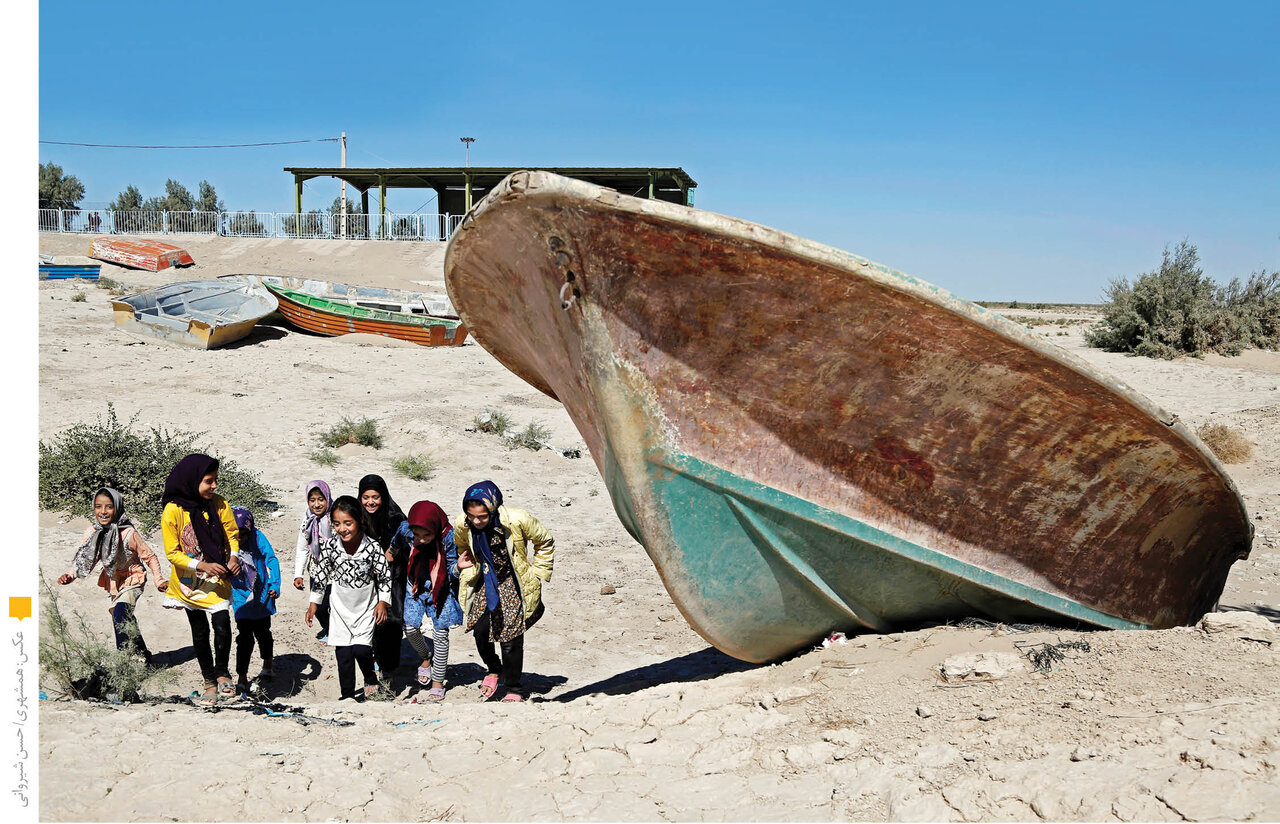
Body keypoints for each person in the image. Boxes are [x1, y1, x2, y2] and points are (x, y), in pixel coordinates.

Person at [455, 480, 555, 702]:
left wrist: (539, 573)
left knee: (510, 639)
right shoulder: (463, 524)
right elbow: (461, 546)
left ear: (492, 509)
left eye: (482, 516)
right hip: (484, 582)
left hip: (511, 581)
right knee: (480, 631)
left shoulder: (516, 520)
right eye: (472, 516)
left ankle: (514, 688)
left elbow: (544, 540)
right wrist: (463, 566)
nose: (476, 521)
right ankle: (494, 668)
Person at [160, 453, 241, 702]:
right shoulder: (173, 512)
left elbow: (232, 533)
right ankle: (208, 682)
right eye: (208, 481)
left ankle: (223, 673)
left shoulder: (219, 504)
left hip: (217, 577)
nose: (214, 486)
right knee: (199, 631)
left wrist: (234, 557)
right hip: (188, 582)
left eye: (215, 480)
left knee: (222, 623)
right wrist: (202, 564)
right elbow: (173, 553)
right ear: (191, 480)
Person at [57, 487, 168, 662]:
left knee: (120, 614)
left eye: (109, 507)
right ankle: (144, 653)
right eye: (98, 506)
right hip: (114, 582)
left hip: (134, 578)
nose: (103, 512)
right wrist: (70, 575)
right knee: (125, 617)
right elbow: (85, 559)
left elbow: (150, 556)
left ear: (117, 507)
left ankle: (121, 662)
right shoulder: (93, 533)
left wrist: (159, 579)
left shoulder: (129, 533)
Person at [306, 495, 391, 701]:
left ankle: (370, 677)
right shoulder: (331, 547)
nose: (342, 529)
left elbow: (384, 575)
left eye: (347, 523)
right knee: (343, 655)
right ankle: (347, 697)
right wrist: (313, 604)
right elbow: (320, 575)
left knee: (362, 651)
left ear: (359, 520)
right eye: (336, 524)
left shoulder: (372, 547)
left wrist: (382, 602)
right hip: (340, 608)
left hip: (365, 608)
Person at [404, 500, 463, 701]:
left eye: (427, 535)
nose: (421, 540)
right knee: (410, 627)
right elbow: (396, 541)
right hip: (416, 584)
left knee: (440, 634)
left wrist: (459, 568)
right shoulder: (406, 530)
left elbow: (452, 567)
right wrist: (391, 553)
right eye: (417, 536)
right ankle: (425, 656)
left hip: (441, 586)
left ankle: (438, 681)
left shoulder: (448, 536)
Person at [357, 474, 412, 681]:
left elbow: (407, 544)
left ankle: (388, 667)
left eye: (375, 497)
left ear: (384, 496)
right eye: (366, 497)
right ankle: (373, 659)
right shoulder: (358, 517)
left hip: (394, 575)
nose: (370, 502)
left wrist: (392, 553)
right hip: (366, 577)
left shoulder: (396, 517)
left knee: (392, 619)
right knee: (369, 617)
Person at [229, 506, 280, 696]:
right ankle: (242, 676)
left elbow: (271, 560)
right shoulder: (228, 543)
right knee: (244, 638)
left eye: (243, 535)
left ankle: (268, 664)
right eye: (236, 535)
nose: (240, 539)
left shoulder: (258, 537)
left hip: (262, 596)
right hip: (240, 597)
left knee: (263, 632)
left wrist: (275, 584)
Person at [293, 480, 333, 643]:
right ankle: (329, 628)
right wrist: (298, 574)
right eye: (312, 500)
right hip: (316, 571)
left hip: (336, 573)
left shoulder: (335, 519)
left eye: (321, 499)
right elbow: (302, 549)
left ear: (328, 499)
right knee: (319, 607)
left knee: (336, 605)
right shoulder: (307, 522)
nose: (317, 504)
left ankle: (338, 632)